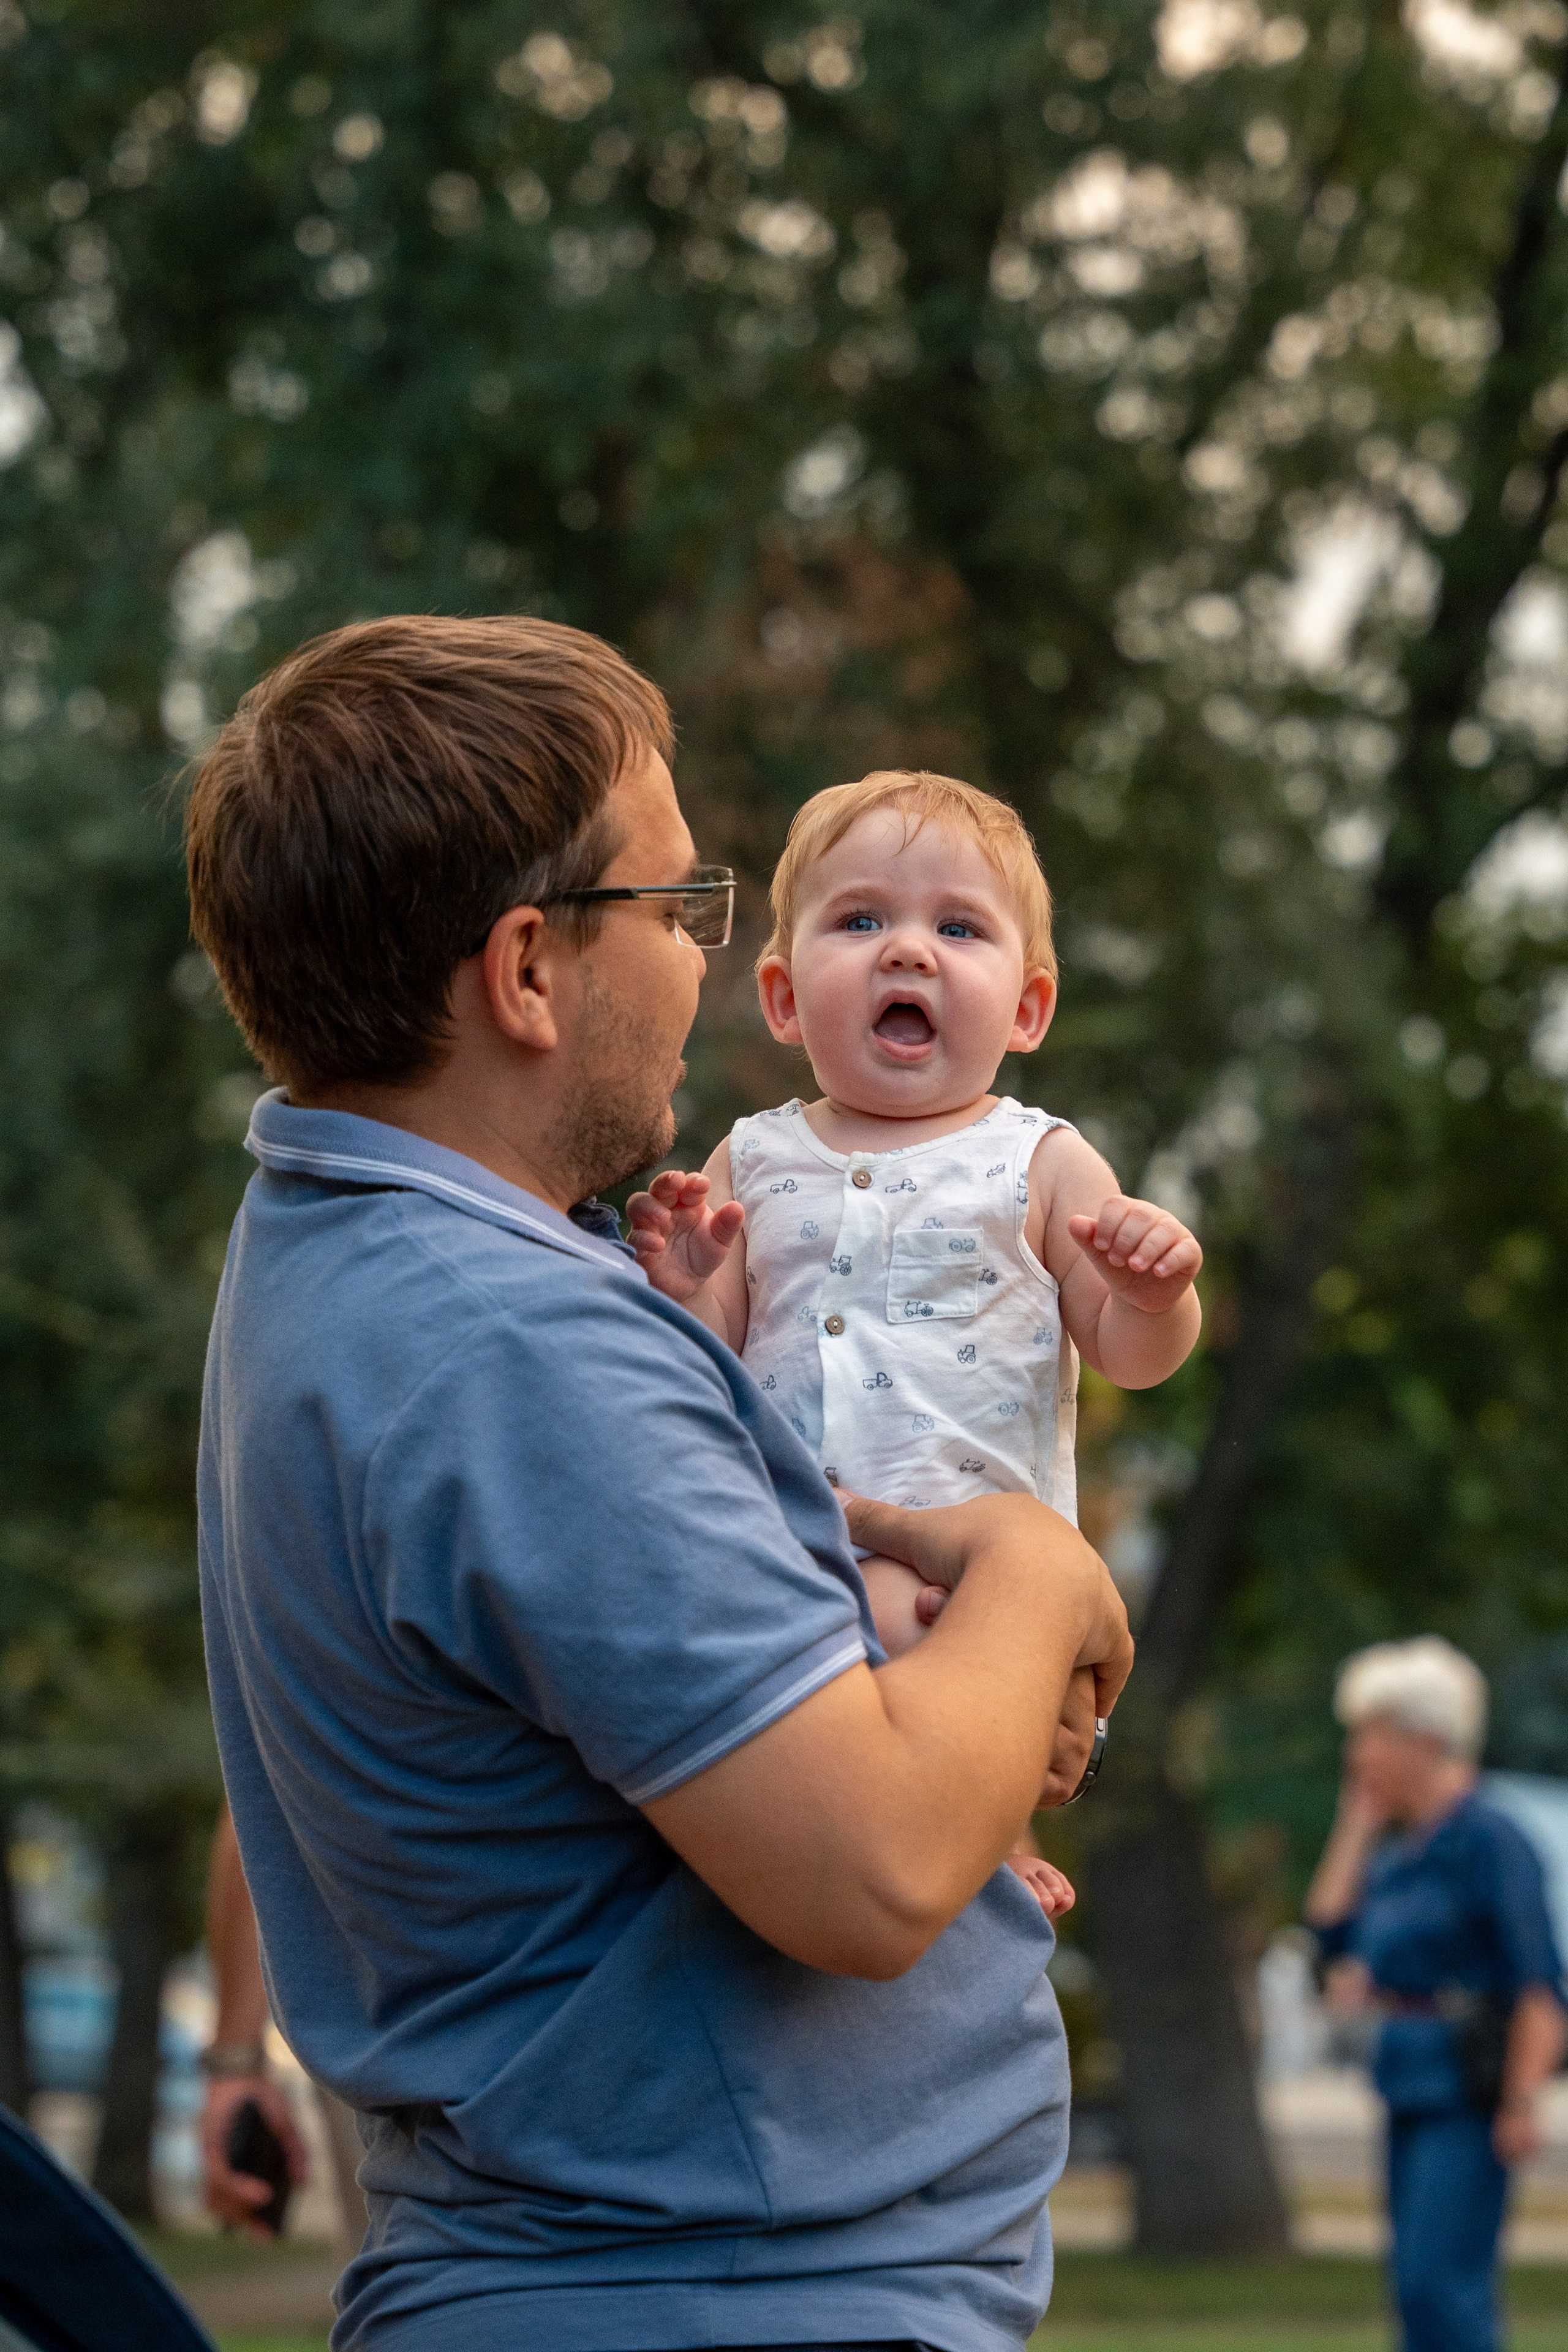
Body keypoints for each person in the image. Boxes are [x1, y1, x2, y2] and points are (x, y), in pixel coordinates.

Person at [187, 613, 1134, 2352]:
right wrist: (1034, 1575)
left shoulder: (335, 1236)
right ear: (527, 971)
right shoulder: (517, 1347)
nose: (716, 965)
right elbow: (870, 1868)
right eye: (688, 911)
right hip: (722, 2300)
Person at [626, 770, 1200, 1909]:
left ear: (1027, 1010)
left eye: (957, 927)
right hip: (790, 1550)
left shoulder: (1040, 1163)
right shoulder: (751, 1157)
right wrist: (689, 1281)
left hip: (976, 1578)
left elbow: (1134, 1353)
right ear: (785, 999)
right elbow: (710, 1364)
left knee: (923, 1656)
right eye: (861, 919)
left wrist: (1154, 1289)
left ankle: (981, 1850)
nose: (909, 951)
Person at [1304, 1637, 1567, 2352]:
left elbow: (1538, 1980)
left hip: (1469, 2087)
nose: (1357, 1754)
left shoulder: (1491, 1838)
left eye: (1371, 1736)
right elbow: (1328, 1933)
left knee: (1442, 2286)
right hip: (1406, 2081)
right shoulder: (1402, 1850)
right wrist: (1355, 1827)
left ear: (1425, 1740)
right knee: (1411, 2292)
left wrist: (1521, 2099)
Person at [199, 1805, 367, 2248]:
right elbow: (258, 1805)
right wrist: (236, 2063)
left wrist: (234, 2066)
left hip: (377, 2027)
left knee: (413, 2276)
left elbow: (257, 1806)